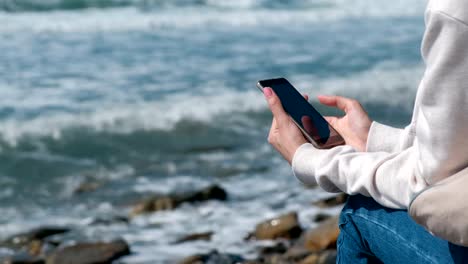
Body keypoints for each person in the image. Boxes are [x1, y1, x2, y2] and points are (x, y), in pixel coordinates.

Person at [262, 0, 468, 262]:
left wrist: (312, 161)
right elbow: (457, 158)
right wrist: (373, 139)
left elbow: (428, 185)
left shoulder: (455, 11)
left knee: (360, 214)